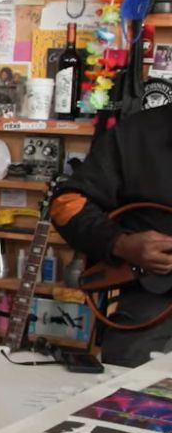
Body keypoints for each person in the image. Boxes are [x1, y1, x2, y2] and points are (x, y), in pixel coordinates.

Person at [51, 107, 172, 366]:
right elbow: (66, 206)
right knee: (128, 381)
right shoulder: (135, 134)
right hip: (152, 306)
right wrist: (120, 243)